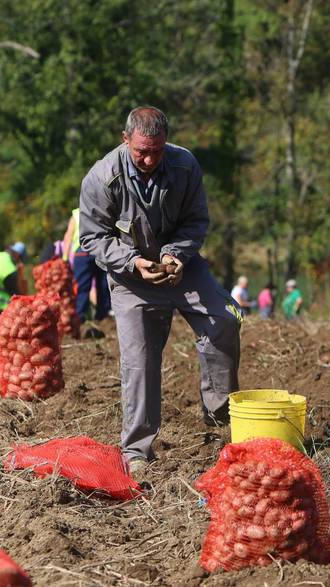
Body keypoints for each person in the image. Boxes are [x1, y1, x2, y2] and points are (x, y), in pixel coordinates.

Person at [79, 106, 242, 470]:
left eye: (157, 150)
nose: (150, 158)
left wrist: (175, 255)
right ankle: (137, 450)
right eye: (141, 151)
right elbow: (92, 237)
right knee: (139, 361)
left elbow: (196, 220)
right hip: (131, 277)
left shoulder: (184, 166)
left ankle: (219, 413)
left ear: (166, 142)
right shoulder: (102, 177)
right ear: (125, 141)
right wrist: (134, 262)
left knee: (225, 318)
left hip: (182, 268)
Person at [62, 207, 111, 325]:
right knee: (102, 285)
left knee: (83, 286)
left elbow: (68, 236)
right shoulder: (100, 209)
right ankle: (100, 316)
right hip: (98, 251)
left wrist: (65, 258)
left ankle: (81, 317)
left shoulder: (77, 214)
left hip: (84, 253)